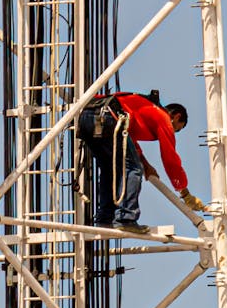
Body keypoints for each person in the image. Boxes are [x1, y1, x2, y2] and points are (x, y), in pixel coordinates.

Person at [75, 92, 204, 233]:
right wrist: (185, 193)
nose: (173, 132)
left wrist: (146, 165)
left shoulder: (143, 110)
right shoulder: (163, 118)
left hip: (88, 118)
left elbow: (129, 142)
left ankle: (105, 219)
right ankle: (126, 218)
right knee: (133, 170)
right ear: (176, 116)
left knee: (110, 169)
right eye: (176, 129)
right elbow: (170, 159)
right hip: (108, 118)